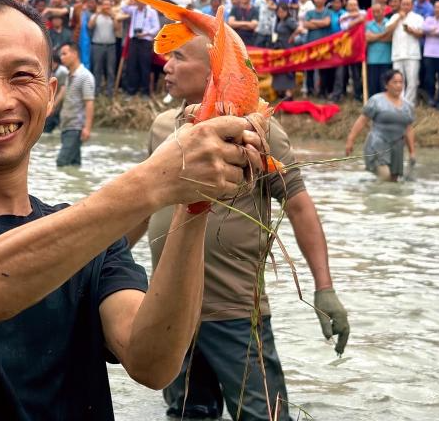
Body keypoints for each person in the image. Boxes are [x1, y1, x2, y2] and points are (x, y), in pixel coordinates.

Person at [0, 0, 267, 418]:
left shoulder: (94, 241)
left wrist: (193, 200)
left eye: (22, 77)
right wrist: (156, 179)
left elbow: (153, 363)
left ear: (49, 95)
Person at [130, 30, 348, 421]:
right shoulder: (164, 127)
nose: (167, 66)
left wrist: (324, 289)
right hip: (171, 313)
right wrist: (99, 264)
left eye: (179, 57)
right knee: (188, 413)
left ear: (213, 72)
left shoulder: (256, 129)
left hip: (233, 311)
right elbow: (144, 206)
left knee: (263, 416)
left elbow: (298, 205)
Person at [345, 69, 415, 182]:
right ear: (386, 85)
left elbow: (408, 129)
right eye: (395, 82)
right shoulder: (376, 101)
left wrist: (412, 152)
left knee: (394, 180)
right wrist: (350, 140)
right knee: (385, 176)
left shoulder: (408, 106)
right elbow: (362, 121)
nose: (398, 85)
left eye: (401, 82)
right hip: (378, 144)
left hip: (397, 147)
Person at [55, 41, 94, 167]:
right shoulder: (69, 75)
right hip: (66, 126)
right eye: (61, 55)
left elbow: (89, 103)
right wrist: (52, 106)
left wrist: (87, 128)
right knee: (74, 165)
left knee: (61, 162)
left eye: (64, 54)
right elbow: (65, 93)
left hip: (76, 127)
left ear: (75, 54)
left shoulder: (85, 76)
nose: (61, 58)